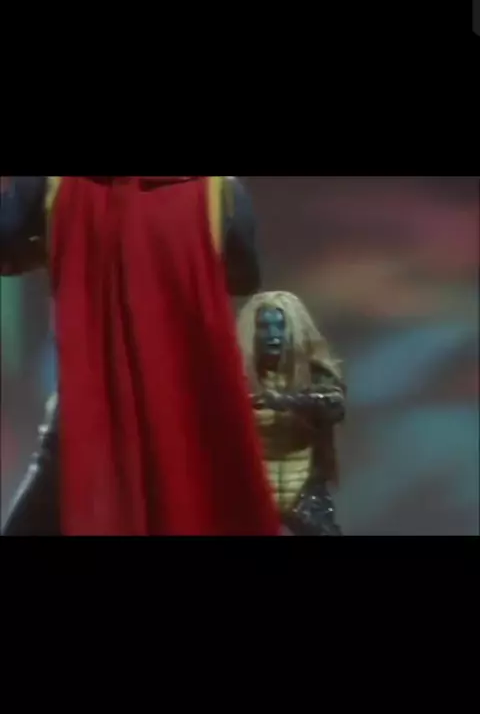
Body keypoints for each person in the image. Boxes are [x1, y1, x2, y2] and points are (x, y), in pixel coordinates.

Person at [1, 176, 279, 537]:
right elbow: (244, 276)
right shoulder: (218, 190)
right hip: (184, 410)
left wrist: (58, 246)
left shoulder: (58, 184)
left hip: (93, 409)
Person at [237, 291, 346, 535]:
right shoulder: (238, 376)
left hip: (303, 488)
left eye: (280, 326)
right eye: (264, 327)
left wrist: (285, 400)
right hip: (252, 489)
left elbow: (334, 406)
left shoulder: (314, 372)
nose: (273, 335)